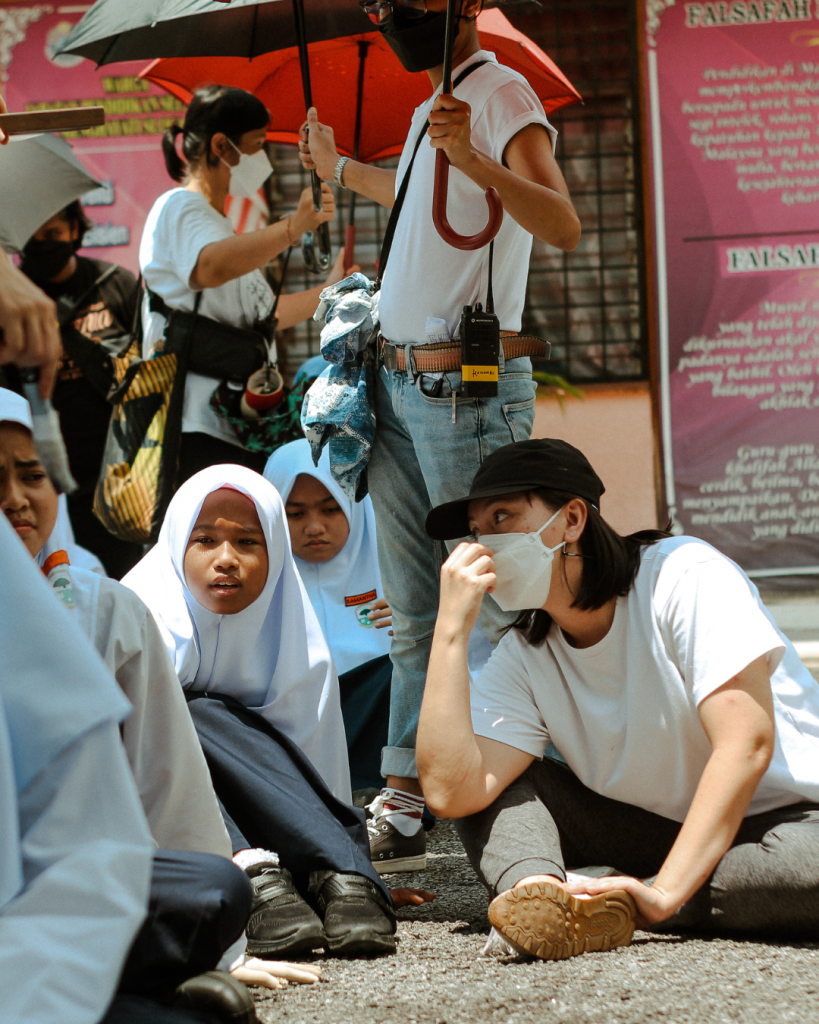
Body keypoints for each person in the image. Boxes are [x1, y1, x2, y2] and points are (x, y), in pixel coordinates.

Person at [299, 0, 581, 869]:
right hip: (395, 382)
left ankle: (517, 797)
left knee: (497, 602)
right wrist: (340, 167)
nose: (395, 14)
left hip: (464, 386)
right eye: (384, 3)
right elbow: (423, 194)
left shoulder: (500, 96)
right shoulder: (433, 109)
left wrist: (474, 157)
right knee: (415, 615)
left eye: (410, 3)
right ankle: (406, 794)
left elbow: (560, 223)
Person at [415, 437, 819, 960]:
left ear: (572, 519)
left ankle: (616, 894)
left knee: (804, 871)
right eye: (474, 531)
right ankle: (538, 900)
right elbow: (453, 790)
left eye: (502, 517)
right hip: (647, 828)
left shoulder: (682, 575)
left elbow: (747, 742)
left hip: (785, 821)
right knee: (501, 784)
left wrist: (665, 892)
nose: (482, 546)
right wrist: (449, 629)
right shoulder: (525, 651)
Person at [123, 466, 398, 957]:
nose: (225, 560)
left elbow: (315, 763)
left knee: (208, 714)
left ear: (275, 552)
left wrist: (352, 858)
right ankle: (253, 873)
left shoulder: (296, 641)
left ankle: (337, 874)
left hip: (276, 823)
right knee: (189, 709)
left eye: (248, 542)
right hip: (181, 830)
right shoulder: (133, 623)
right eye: (204, 539)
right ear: (175, 546)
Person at [0, 386, 232, 857]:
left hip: (84, 868)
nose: (16, 498)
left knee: (212, 887)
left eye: (33, 475)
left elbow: (167, 784)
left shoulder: (107, 610)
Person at [141, 85, 353, 486]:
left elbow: (266, 315)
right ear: (221, 146)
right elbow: (208, 267)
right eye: (256, 145)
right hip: (194, 425)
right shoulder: (179, 207)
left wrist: (332, 290)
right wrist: (293, 227)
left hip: (236, 422)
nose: (262, 160)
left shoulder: (218, 225)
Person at [18, 202, 142, 578]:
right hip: (40, 475)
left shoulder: (115, 285)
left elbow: (150, 371)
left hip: (117, 475)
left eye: (53, 234)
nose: (43, 246)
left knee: (123, 582)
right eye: (31, 239)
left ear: (75, 230)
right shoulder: (13, 301)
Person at [264, 439, 393, 797]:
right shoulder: (256, 584)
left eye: (331, 509)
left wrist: (417, 626)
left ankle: (390, 798)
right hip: (290, 737)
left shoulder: (400, 576)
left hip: (371, 741)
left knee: (401, 673)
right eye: (295, 513)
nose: (315, 527)